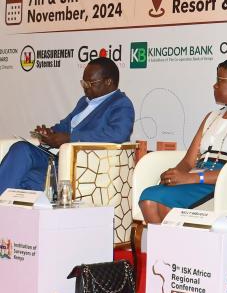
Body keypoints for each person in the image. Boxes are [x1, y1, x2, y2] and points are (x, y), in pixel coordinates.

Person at [139, 58, 227, 223]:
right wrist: (174, 176)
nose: (214, 86)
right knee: (149, 198)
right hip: (196, 177)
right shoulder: (211, 117)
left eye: (220, 81)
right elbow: (189, 161)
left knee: (166, 202)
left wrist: (192, 178)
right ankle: (165, 249)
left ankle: (178, 249)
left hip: (222, 184)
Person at [0, 56, 134, 193]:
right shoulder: (84, 102)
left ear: (108, 82)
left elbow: (118, 134)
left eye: (90, 83)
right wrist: (49, 133)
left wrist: (71, 138)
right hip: (57, 157)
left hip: (80, 164)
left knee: (26, 178)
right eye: (84, 83)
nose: (85, 88)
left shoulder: (121, 104)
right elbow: (65, 126)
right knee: (21, 148)